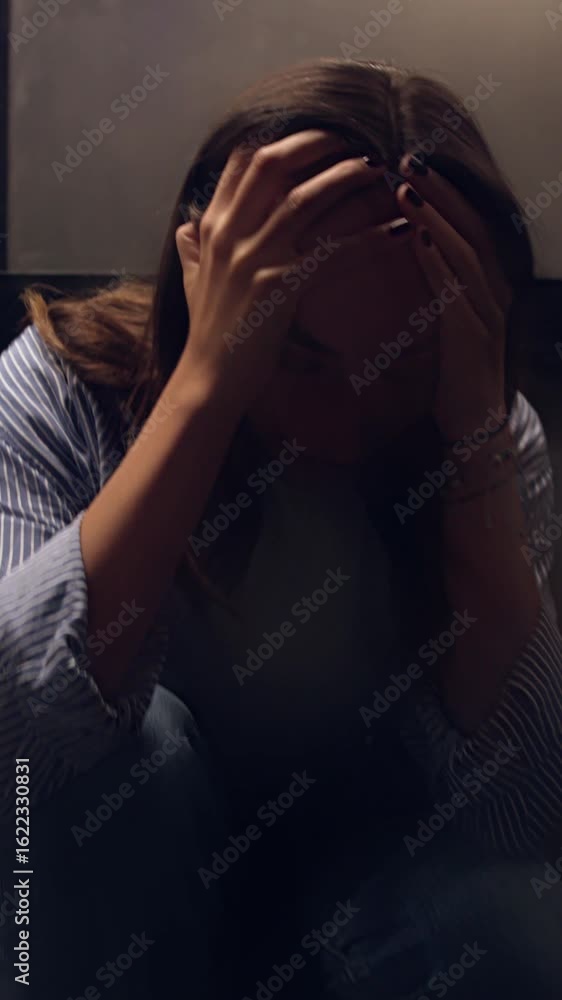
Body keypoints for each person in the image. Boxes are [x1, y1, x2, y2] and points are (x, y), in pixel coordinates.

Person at [1, 57, 561, 999]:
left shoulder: (486, 437)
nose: (343, 421)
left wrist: (472, 446)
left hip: (373, 894)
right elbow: (14, 761)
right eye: (297, 356)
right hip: (118, 892)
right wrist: (208, 386)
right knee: (133, 758)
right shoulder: (61, 390)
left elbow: (529, 819)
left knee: (514, 919)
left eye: (398, 365)